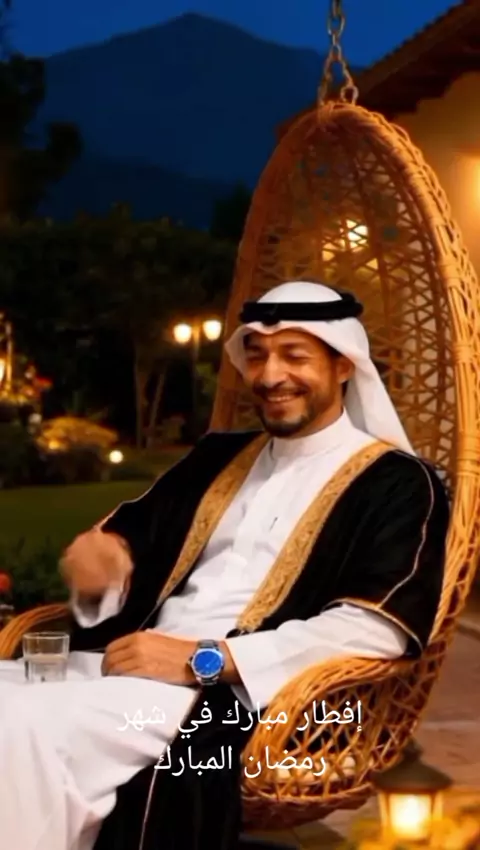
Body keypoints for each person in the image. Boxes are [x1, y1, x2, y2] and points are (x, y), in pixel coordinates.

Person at [0, 281, 449, 850]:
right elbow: (123, 553)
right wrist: (101, 576)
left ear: (343, 365)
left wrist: (204, 660)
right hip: (126, 667)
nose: (270, 376)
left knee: (24, 728)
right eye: (257, 356)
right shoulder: (217, 457)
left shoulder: (396, 483)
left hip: (236, 702)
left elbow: (375, 629)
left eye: (294, 356)